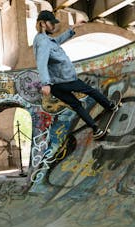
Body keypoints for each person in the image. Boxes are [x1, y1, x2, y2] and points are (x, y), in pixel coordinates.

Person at [33, 10, 117, 140]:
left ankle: (96, 129)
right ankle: (109, 105)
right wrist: (45, 83)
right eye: (51, 23)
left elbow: (57, 41)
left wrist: (72, 29)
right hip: (63, 80)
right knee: (90, 90)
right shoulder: (43, 41)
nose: (54, 26)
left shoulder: (44, 39)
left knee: (76, 105)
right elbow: (41, 62)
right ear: (43, 23)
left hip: (56, 85)